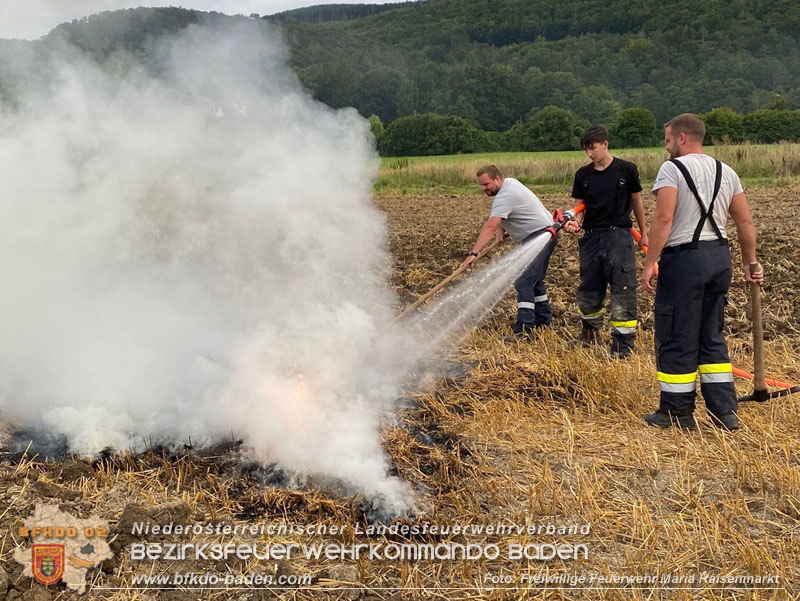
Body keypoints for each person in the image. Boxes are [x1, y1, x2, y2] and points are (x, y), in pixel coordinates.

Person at [641, 113, 764, 431]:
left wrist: (650, 262)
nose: (666, 146)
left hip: (685, 261)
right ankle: (724, 412)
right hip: (719, 259)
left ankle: (676, 412)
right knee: (711, 335)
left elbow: (663, 219)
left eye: (668, 139)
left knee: (677, 334)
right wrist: (751, 263)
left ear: (682, 138)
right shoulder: (727, 171)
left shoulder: (672, 169)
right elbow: (745, 222)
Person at [563, 125, 648, 358]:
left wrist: (644, 233)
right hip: (591, 237)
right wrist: (575, 223)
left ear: (605, 144)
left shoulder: (627, 170)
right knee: (589, 287)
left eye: (593, 148)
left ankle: (622, 345)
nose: (590, 154)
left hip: (619, 236)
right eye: (586, 150)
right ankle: (589, 335)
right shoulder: (583, 175)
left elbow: (638, 203)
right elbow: (579, 207)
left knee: (622, 289)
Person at [460, 165, 557, 337]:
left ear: (497, 178)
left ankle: (525, 329)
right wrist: (502, 230)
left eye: (486, 184)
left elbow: (490, 226)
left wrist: (473, 253)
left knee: (524, 281)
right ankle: (543, 321)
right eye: (481, 185)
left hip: (540, 236)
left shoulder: (505, 196)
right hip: (543, 233)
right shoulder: (510, 183)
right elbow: (507, 215)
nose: (484, 189)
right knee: (535, 281)